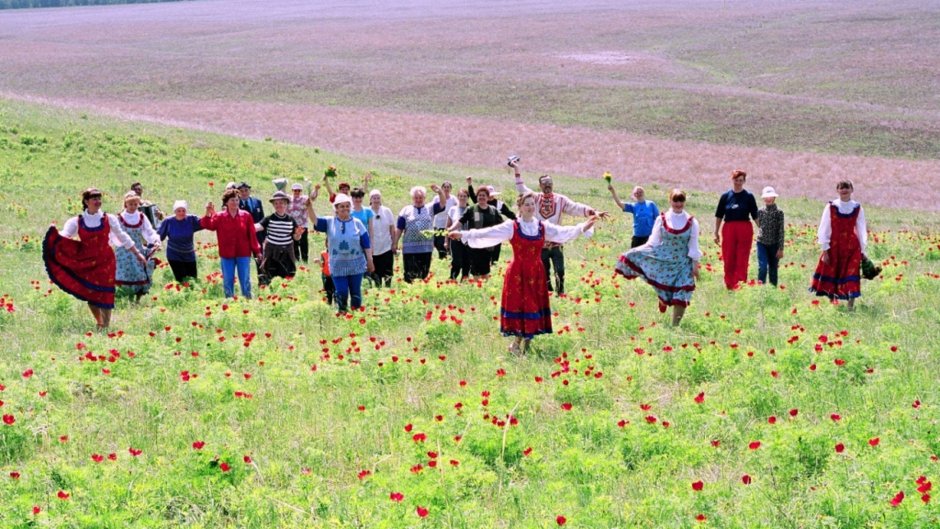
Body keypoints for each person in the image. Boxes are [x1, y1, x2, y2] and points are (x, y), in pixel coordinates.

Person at [449, 192, 597, 354]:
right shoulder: (512, 226)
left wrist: (584, 226)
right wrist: (463, 234)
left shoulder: (542, 226)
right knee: (521, 307)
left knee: (533, 306)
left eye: (532, 204)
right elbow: (488, 233)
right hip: (518, 273)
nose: (530, 207)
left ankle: (526, 344)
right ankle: (516, 344)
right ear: (520, 207)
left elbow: (562, 233)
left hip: (536, 273)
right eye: (526, 204)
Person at [43, 188, 146, 329]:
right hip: (87, 262)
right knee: (92, 293)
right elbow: (65, 236)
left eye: (99, 199)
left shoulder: (109, 219)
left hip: (106, 261)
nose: (98, 202)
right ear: (86, 202)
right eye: (94, 199)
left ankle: (106, 326)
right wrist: (53, 233)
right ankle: (99, 321)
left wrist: (138, 253)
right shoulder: (76, 221)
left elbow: (123, 236)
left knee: (106, 292)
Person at [512, 160, 604, 294]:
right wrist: (517, 169)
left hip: (557, 242)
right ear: (540, 185)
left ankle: (560, 292)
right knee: (543, 271)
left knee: (560, 270)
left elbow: (575, 207)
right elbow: (521, 189)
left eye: (550, 183)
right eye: (545, 183)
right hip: (541, 242)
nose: (547, 186)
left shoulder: (561, 200)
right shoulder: (535, 198)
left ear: (552, 184)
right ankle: (547, 293)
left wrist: (593, 212)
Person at [615, 189, 701, 326]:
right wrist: (635, 251)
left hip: (683, 262)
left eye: (681, 200)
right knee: (665, 288)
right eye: (675, 200)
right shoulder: (661, 219)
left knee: (682, 293)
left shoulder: (692, 222)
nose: (678, 204)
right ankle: (662, 299)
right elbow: (653, 242)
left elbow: (693, 245)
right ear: (670, 201)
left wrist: (695, 265)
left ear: (684, 202)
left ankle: (675, 326)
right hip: (664, 260)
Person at [308, 192, 375, 312]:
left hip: (356, 264)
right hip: (337, 265)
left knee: (355, 293)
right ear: (336, 209)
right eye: (341, 206)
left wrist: (370, 260)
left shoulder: (357, 223)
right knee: (342, 291)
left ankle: (355, 316)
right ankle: (342, 313)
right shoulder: (329, 222)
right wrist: (309, 207)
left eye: (347, 206)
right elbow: (315, 220)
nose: (345, 208)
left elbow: (366, 243)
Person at [809, 180, 868, 309]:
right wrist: (825, 249)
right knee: (832, 272)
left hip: (852, 247)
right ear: (837, 190)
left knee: (852, 274)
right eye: (841, 188)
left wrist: (863, 250)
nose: (844, 190)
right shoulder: (831, 206)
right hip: (834, 245)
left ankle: (850, 305)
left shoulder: (857, 207)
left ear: (852, 190)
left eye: (847, 187)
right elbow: (824, 228)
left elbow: (861, 228)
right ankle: (833, 303)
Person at [201, 188, 262, 299]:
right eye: (232, 200)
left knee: (245, 279)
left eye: (237, 200)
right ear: (226, 202)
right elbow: (208, 225)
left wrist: (257, 251)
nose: (235, 202)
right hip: (226, 254)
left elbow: (252, 235)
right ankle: (229, 301)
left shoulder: (246, 215)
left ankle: (247, 300)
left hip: (243, 253)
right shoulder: (220, 216)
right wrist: (208, 212)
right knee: (228, 279)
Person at [714, 170, 758, 289]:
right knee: (728, 256)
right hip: (729, 228)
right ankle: (729, 284)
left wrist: (762, 230)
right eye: (736, 180)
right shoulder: (725, 196)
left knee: (742, 257)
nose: (738, 182)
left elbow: (755, 216)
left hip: (744, 228)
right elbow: (719, 215)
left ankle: (740, 285)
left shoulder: (749, 197)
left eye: (741, 180)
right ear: (732, 180)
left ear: (744, 181)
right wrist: (716, 232)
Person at [115, 191, 161, 301]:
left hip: (137, 249)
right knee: (125, 274)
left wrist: (155, 240)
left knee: (139, 273)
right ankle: (126, 297)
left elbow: (149, 231)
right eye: (130, 204)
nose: (133, 207)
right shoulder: (119, 218)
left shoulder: (141, 216)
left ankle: (137, 299)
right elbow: (114, 234)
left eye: (135, 204)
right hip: (123, 250)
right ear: (125, 204)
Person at [392, 186, 445, 283]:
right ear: (412, 198)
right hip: (410, 249)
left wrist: (440, 192)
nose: (418, 200)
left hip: (426, 249)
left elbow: (442, 204)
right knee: (409, 274)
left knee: (423, 274)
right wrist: (395, 243)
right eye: (416, 198)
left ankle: (421, 294)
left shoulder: (430, 208)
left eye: (421, 197)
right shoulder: (405, 210)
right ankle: (409, 294)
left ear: (424, 198)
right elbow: (399, 228)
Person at [451, 185, 503, 278]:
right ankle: (477, 286)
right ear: (477, 197)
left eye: (484, 195)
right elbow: (460, 221)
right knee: (475, 269)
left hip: (488, 245)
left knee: (486, 268)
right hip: (474, 244)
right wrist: (451, 229)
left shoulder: (493, 210)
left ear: (488, 197)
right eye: (479, 195)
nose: (481, 197)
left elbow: (502, 225)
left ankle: (484, 288)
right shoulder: (471, 209)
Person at [256, 191, 304, 282]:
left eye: (281, 203)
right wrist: (245, 225)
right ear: (273, 205)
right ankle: (271, 294)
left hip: (286, 252)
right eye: (276, 203)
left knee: (287, 276)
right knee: (270, 275)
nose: (279, 205)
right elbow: (258, 227)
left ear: (286, 204)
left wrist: (298, 234)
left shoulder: (291, 220)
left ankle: (285, 293)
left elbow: (296, 237)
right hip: (271, 252)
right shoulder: (269, 218)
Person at [466, 177, 516, 264]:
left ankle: (493, 267)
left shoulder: (500, 204)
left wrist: (518, 221)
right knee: (483, 255)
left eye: (492, 194)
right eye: (489, 194)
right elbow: (473, 196)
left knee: (495, 255)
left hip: (496, 232)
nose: (490, 196)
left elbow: (510, 214)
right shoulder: (480, 203)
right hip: (483, 232)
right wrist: (470, 184)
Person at [157, 200, 203, 283]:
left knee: (193, 279)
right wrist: (151, 247)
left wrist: (209, 213)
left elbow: (204, 223)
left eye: (183, 210)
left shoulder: (191, 219)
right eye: (179, 211)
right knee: (181, 280)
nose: (181, 213)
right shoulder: (168, 221)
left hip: (189, 254)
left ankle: (192, 295)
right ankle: (181, 295)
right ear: (175, 211)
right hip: (174, 255)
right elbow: (159, 236)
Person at [755, 186, 785, 286]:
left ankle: (773, 291)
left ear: (774, 198)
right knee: (762, 267)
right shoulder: (760, 211)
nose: (768, 199)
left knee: (773, 269)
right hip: (762, 243)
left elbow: (781, 231)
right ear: (763, 198)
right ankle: (760, 290)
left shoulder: (779, 212)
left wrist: (780, 248)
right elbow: (759, 225)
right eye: (766, 197)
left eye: (770, 197)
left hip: (774, 245)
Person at [368, 190, 396, 287]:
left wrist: (394, 243)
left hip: (386, 246)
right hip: (373, 249)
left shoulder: (387, 211)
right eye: (374, 198)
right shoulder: (367, 212)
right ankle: (378, 290)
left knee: (388, 272)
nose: (376, 200)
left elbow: (392, 227)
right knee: (376, 273)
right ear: (370, 199)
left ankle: (388, 289)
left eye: (378, 198)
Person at [445, 189, 471, 281]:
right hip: (455, 240)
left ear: (468, 198)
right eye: (460, 196)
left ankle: (464, 280)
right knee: (456, 261)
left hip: (468, 240)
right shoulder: (452, 209)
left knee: (467, 261)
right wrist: (446, 241)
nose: (462, 198)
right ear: (458, 197)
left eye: (465, 196)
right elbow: (448, 226)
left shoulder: (471, 210)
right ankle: (452, 279)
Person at [430, 181, 457, 259]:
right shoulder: (436, 198)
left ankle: (444, 259)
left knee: (442, 245)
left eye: (448, 187)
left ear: (451, 189)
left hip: (446, 225)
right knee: (436, 243)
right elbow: (432, 209)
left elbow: (457, 208)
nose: (446, 188)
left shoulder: (453, 199)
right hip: (436, 224)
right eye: (444, 187)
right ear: (441, 188)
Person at [287, 183, 310, 262]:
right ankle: (296, 259)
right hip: (292, 225)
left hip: (303, 224)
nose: (297, 192)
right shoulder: (288, 199)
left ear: (301, 191)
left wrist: (315, 189)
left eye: (299, 190)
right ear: (292, 191)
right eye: (295, 190)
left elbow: (313, 197)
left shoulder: (305, 198)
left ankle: (305, 259)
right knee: (294, 243)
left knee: (303, 243)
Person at [314, 239, 336, 305]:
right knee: (327, 292)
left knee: (336, 292)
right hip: (326, 276)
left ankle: (337, 306)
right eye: (328, 243)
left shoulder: (337, 253)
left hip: (335, 276)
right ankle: (328, 305)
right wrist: (318, 262)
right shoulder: (323, 253)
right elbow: (322, 265)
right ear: (326, 244)